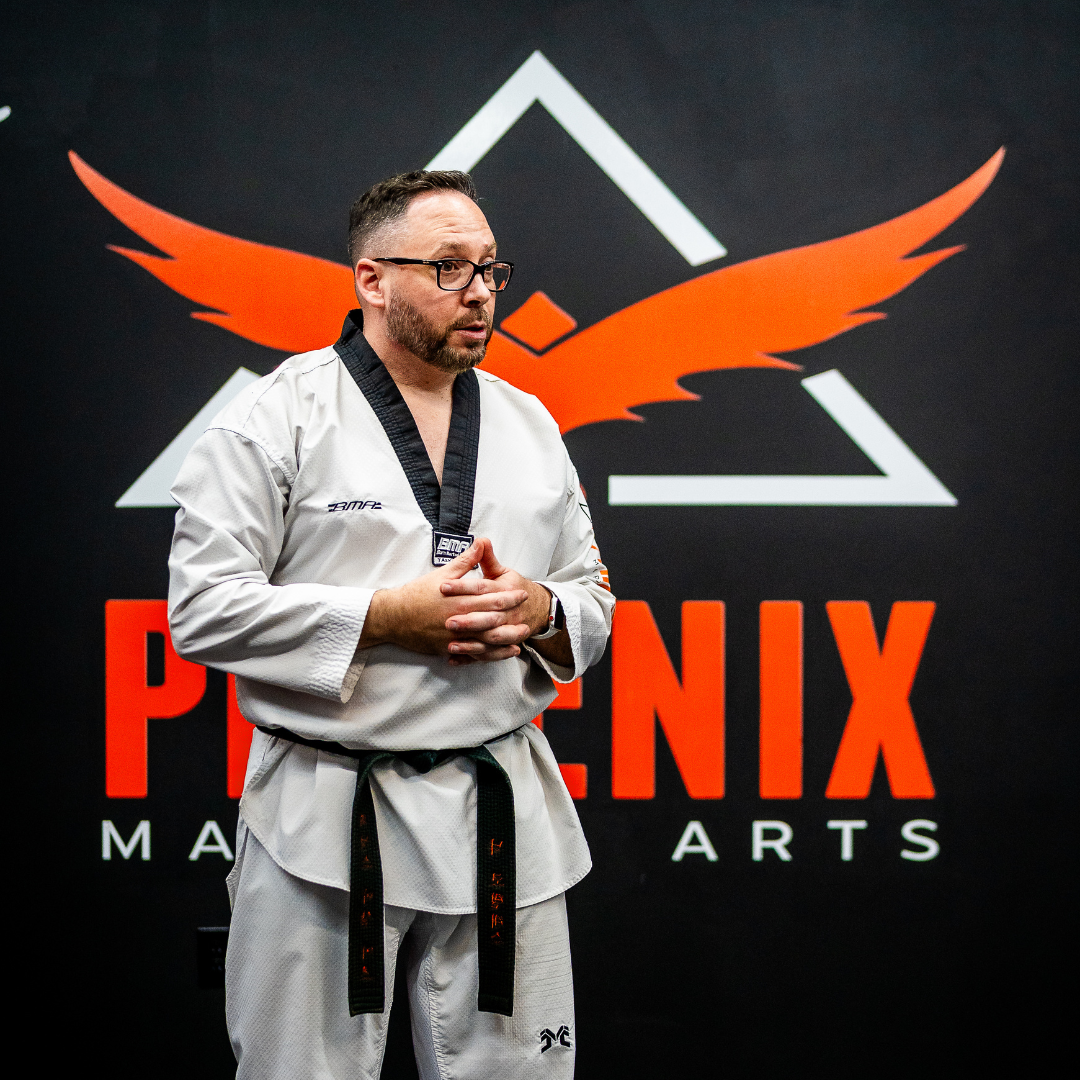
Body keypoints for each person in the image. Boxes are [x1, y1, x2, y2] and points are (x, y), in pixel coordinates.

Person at [167, 169, 615, 1080]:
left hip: (502, 813)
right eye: (449, 268)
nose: (481, 292)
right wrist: (380, 618)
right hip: (328, 817)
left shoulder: (531, 424)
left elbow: (593, 598)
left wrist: (542, 611)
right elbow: (202, 606)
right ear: (371, 279)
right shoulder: (275, 416)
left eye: (491, 269)